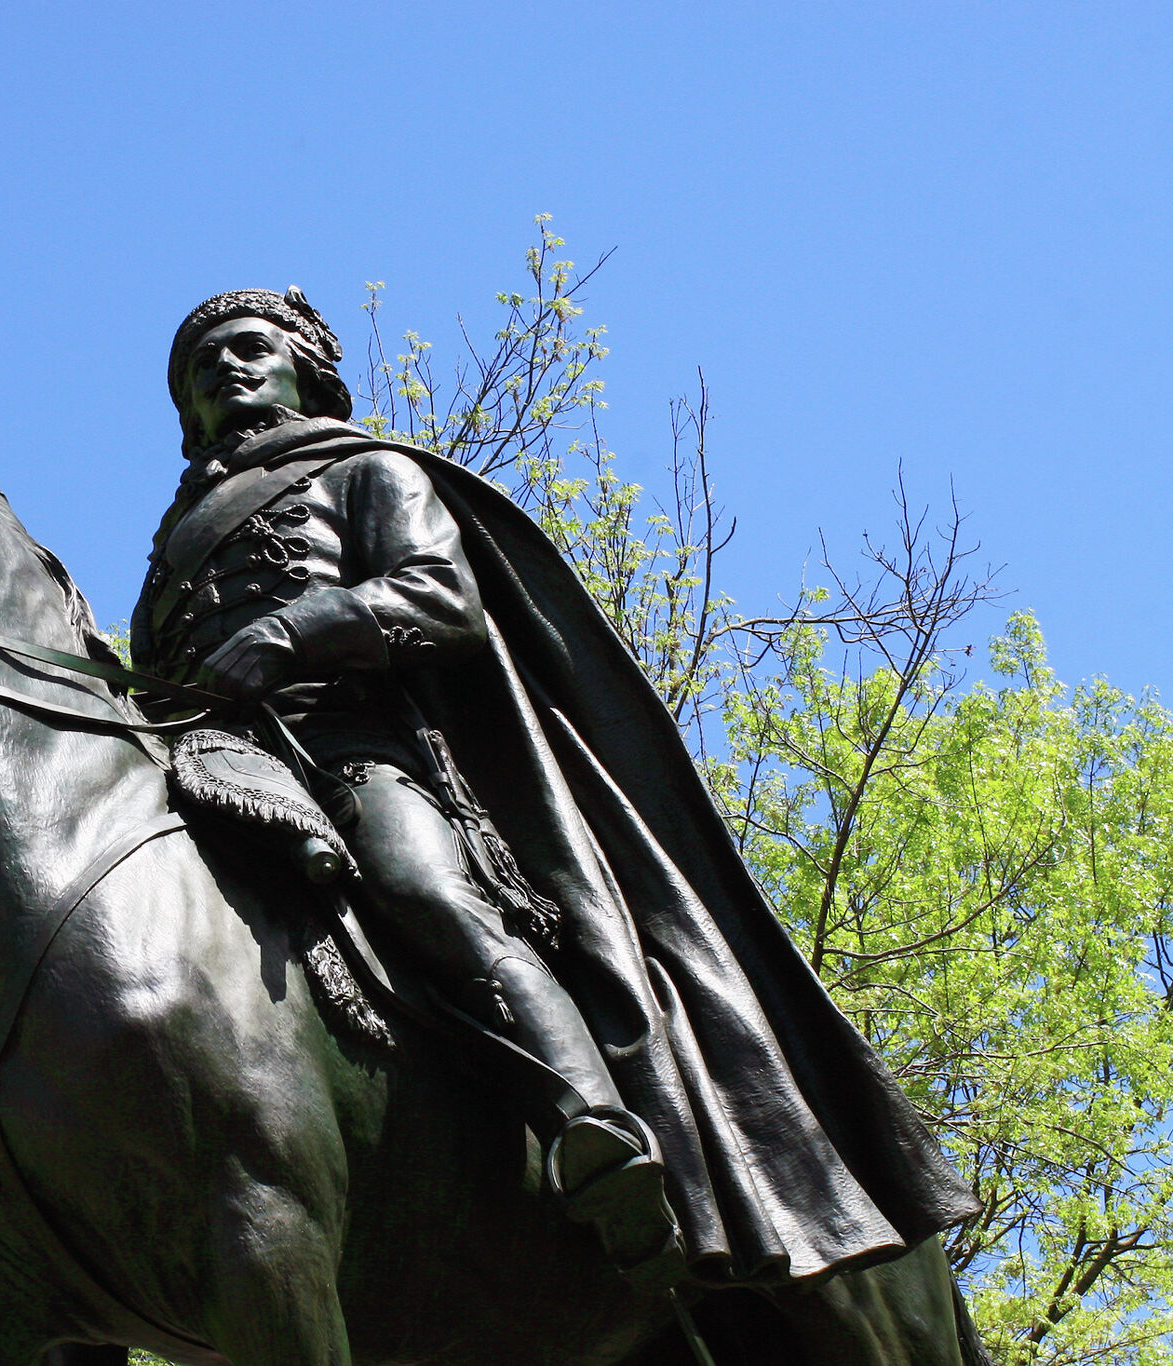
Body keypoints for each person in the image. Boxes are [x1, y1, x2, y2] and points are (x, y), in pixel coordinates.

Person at [132, 288, 978, 1289]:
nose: (224, 369)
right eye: (201, 365)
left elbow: (435, 597)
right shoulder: (168, 552)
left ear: (300, 367)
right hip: (216, 768)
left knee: (420, 887)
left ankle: (593, 1122)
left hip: (355, 751)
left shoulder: (364, 472)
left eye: (246, 348)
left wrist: (285, 632)